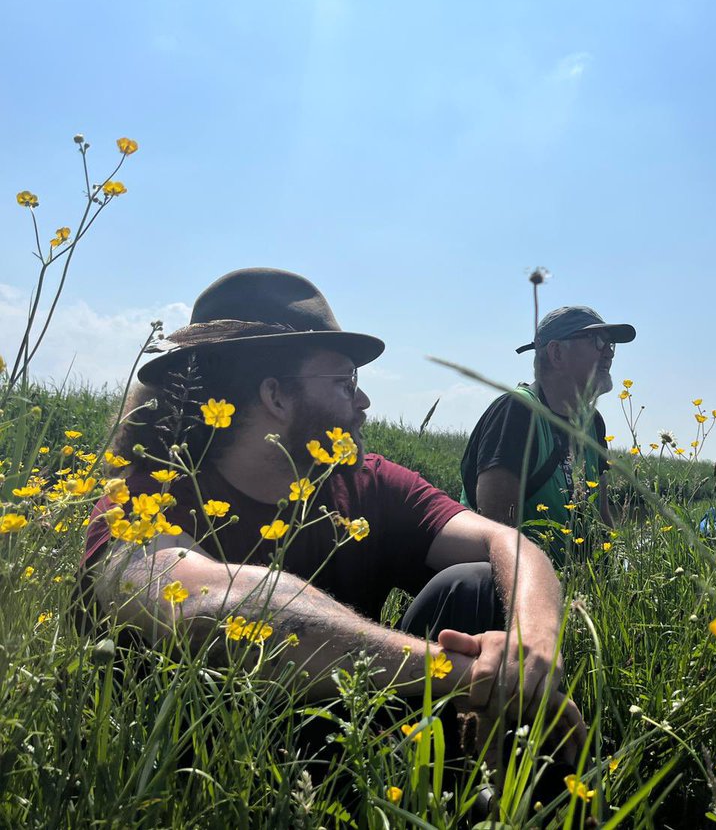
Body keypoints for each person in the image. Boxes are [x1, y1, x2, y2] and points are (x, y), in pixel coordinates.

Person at [85, 267, 585, 767]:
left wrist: (531, 649)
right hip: (198, 768)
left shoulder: (364, 482)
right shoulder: (143, 498)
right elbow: (214, 609)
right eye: (346, 382)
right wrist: (468, 673)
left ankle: (484, 790)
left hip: (352, 746)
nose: (363, 401)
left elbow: (510, 544)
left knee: (474, 584)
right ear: (276, 396)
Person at [459, 305, 635, 564]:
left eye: (611, 344)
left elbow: (601, 517)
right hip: (519, 581)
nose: (609, 353)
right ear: (556, 353)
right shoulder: (518, 412)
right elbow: (496, 532)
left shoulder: (593, 422)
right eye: (597, 341)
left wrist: (614, 575)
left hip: (576, 584)